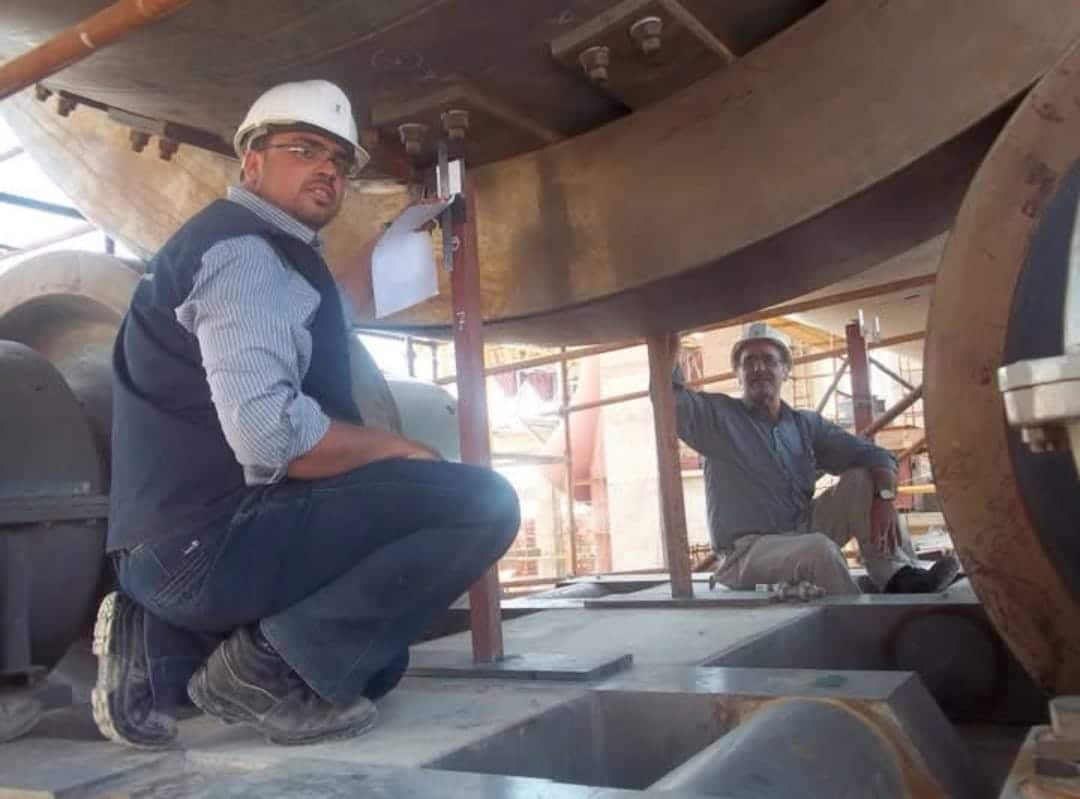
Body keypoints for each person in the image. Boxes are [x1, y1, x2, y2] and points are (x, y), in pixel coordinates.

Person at [92, 80, 520, 749]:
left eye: (339, 160)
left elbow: (315, 314)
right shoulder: (245, 256)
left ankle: (158, 650)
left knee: (373, 665)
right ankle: (260, 673)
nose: (327, 168)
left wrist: (393, 241)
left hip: (174, 547)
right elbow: (271, 436)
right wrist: (397, 448)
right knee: (483, 503)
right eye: (304, 149)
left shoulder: (250, 249)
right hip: (208, 545)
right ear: (252, 162)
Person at [673, 322, 958, 596]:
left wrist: (884, 498)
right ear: (738, 373)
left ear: (785, 370)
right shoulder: (718, 418)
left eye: (769, 360)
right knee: (819, 551)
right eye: (749, 362)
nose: (759, 368)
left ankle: (898, 577)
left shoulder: (804, 426)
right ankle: (861, 617)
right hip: (746, 554)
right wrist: (669, 334)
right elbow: (671, 398)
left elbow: (874, 455)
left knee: (862, 479)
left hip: (800, 531)